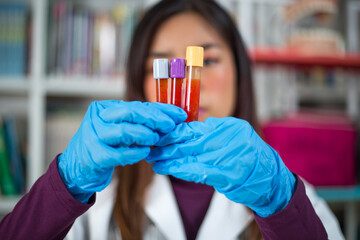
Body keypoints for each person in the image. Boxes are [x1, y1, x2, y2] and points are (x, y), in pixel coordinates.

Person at [0, 0, 344, 239]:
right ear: (140, 81)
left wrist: (280, 205)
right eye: (163, 65)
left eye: (207, 61)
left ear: (241, 74)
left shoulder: (295, 201)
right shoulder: (95, 201)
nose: (187, 88)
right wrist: (63, 187)